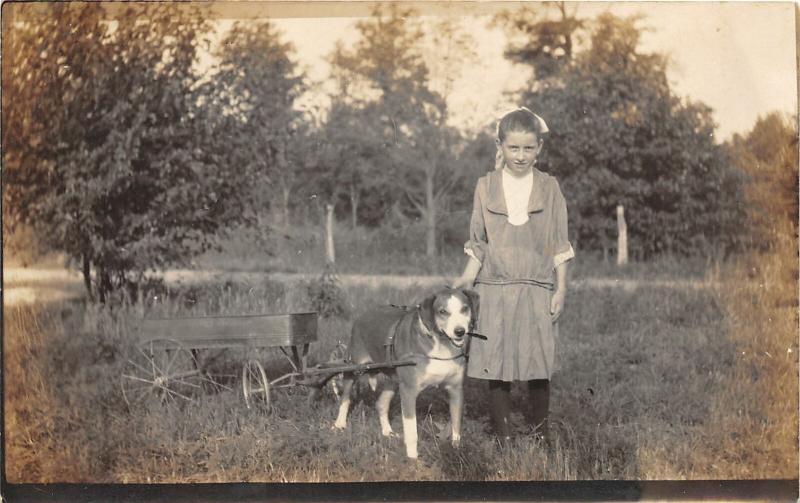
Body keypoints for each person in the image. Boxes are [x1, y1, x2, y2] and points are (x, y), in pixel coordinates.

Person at [452, 107, 574, 441]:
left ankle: (540, 431)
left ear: (539, 149)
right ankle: (503, 434)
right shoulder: (486, 186)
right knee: (497, 361)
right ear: (500, 146)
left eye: (528, 148)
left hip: (537, 287)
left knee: (538, 362)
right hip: (493, 287)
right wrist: (465, 278)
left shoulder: (550, 188)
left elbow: (559, 243)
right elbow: (479, 242)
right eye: (513, 148)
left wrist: (560, 289)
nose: (520, 156)